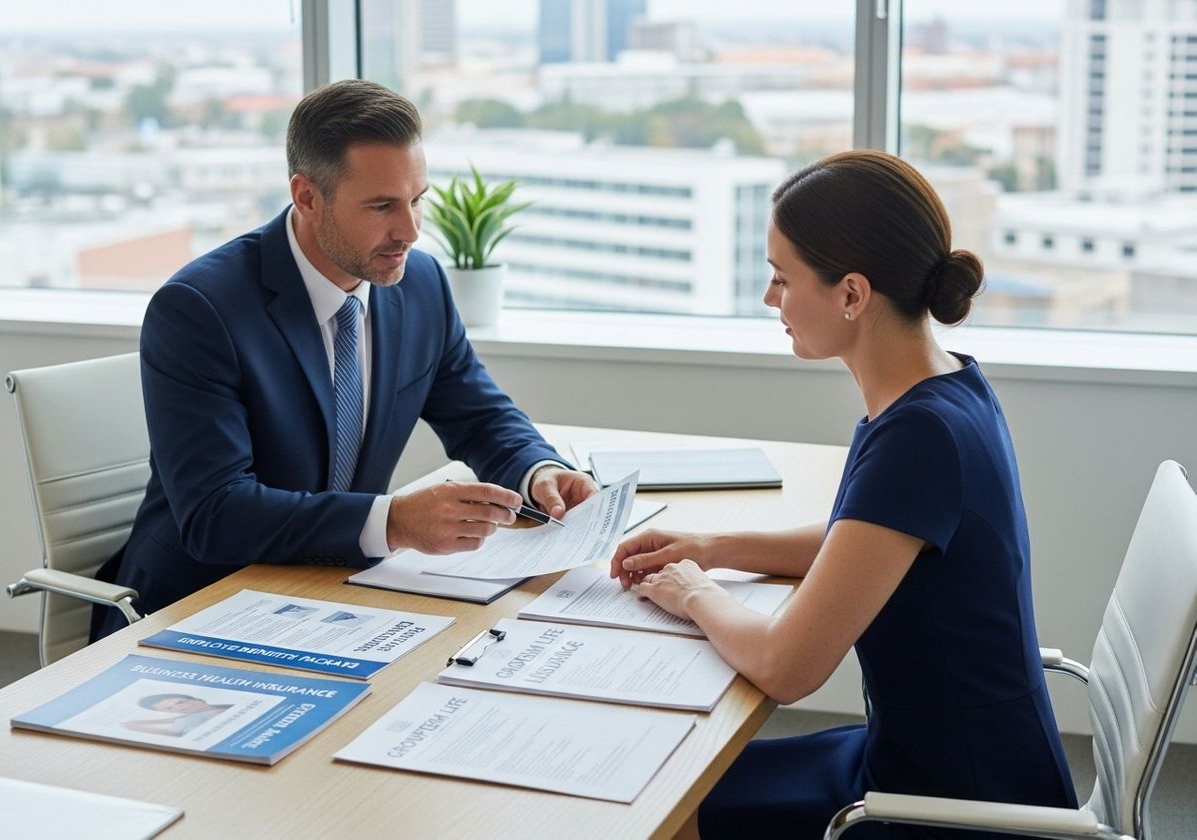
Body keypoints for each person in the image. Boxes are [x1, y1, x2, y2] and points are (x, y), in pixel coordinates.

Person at [610, 150, 1077, 839]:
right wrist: (715, 547)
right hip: (958, 761)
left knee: (656, 812)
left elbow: (786, 667)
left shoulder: (917, 437)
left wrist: (690, 592)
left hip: (954, 804)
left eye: (781, 278)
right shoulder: (946, 391)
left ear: (852, 294)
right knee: (664, 778)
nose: (772, 300)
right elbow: (866, 539)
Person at [93, 80, 596, 640]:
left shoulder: (420, 284)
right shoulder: (200, 310)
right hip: (198, 604)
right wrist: (395, 520)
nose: (409, 230)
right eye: (382, 206)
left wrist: (539, 471)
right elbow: (215, 514)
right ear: (307, 197)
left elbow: (478, 414)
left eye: (417, 199)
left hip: (337, 594)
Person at [123, 694, 233, 737]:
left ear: (199, 698)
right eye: (170, 709)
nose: (181, 708)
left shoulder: (233, 704)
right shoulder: (187, 725)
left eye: (181, 702)